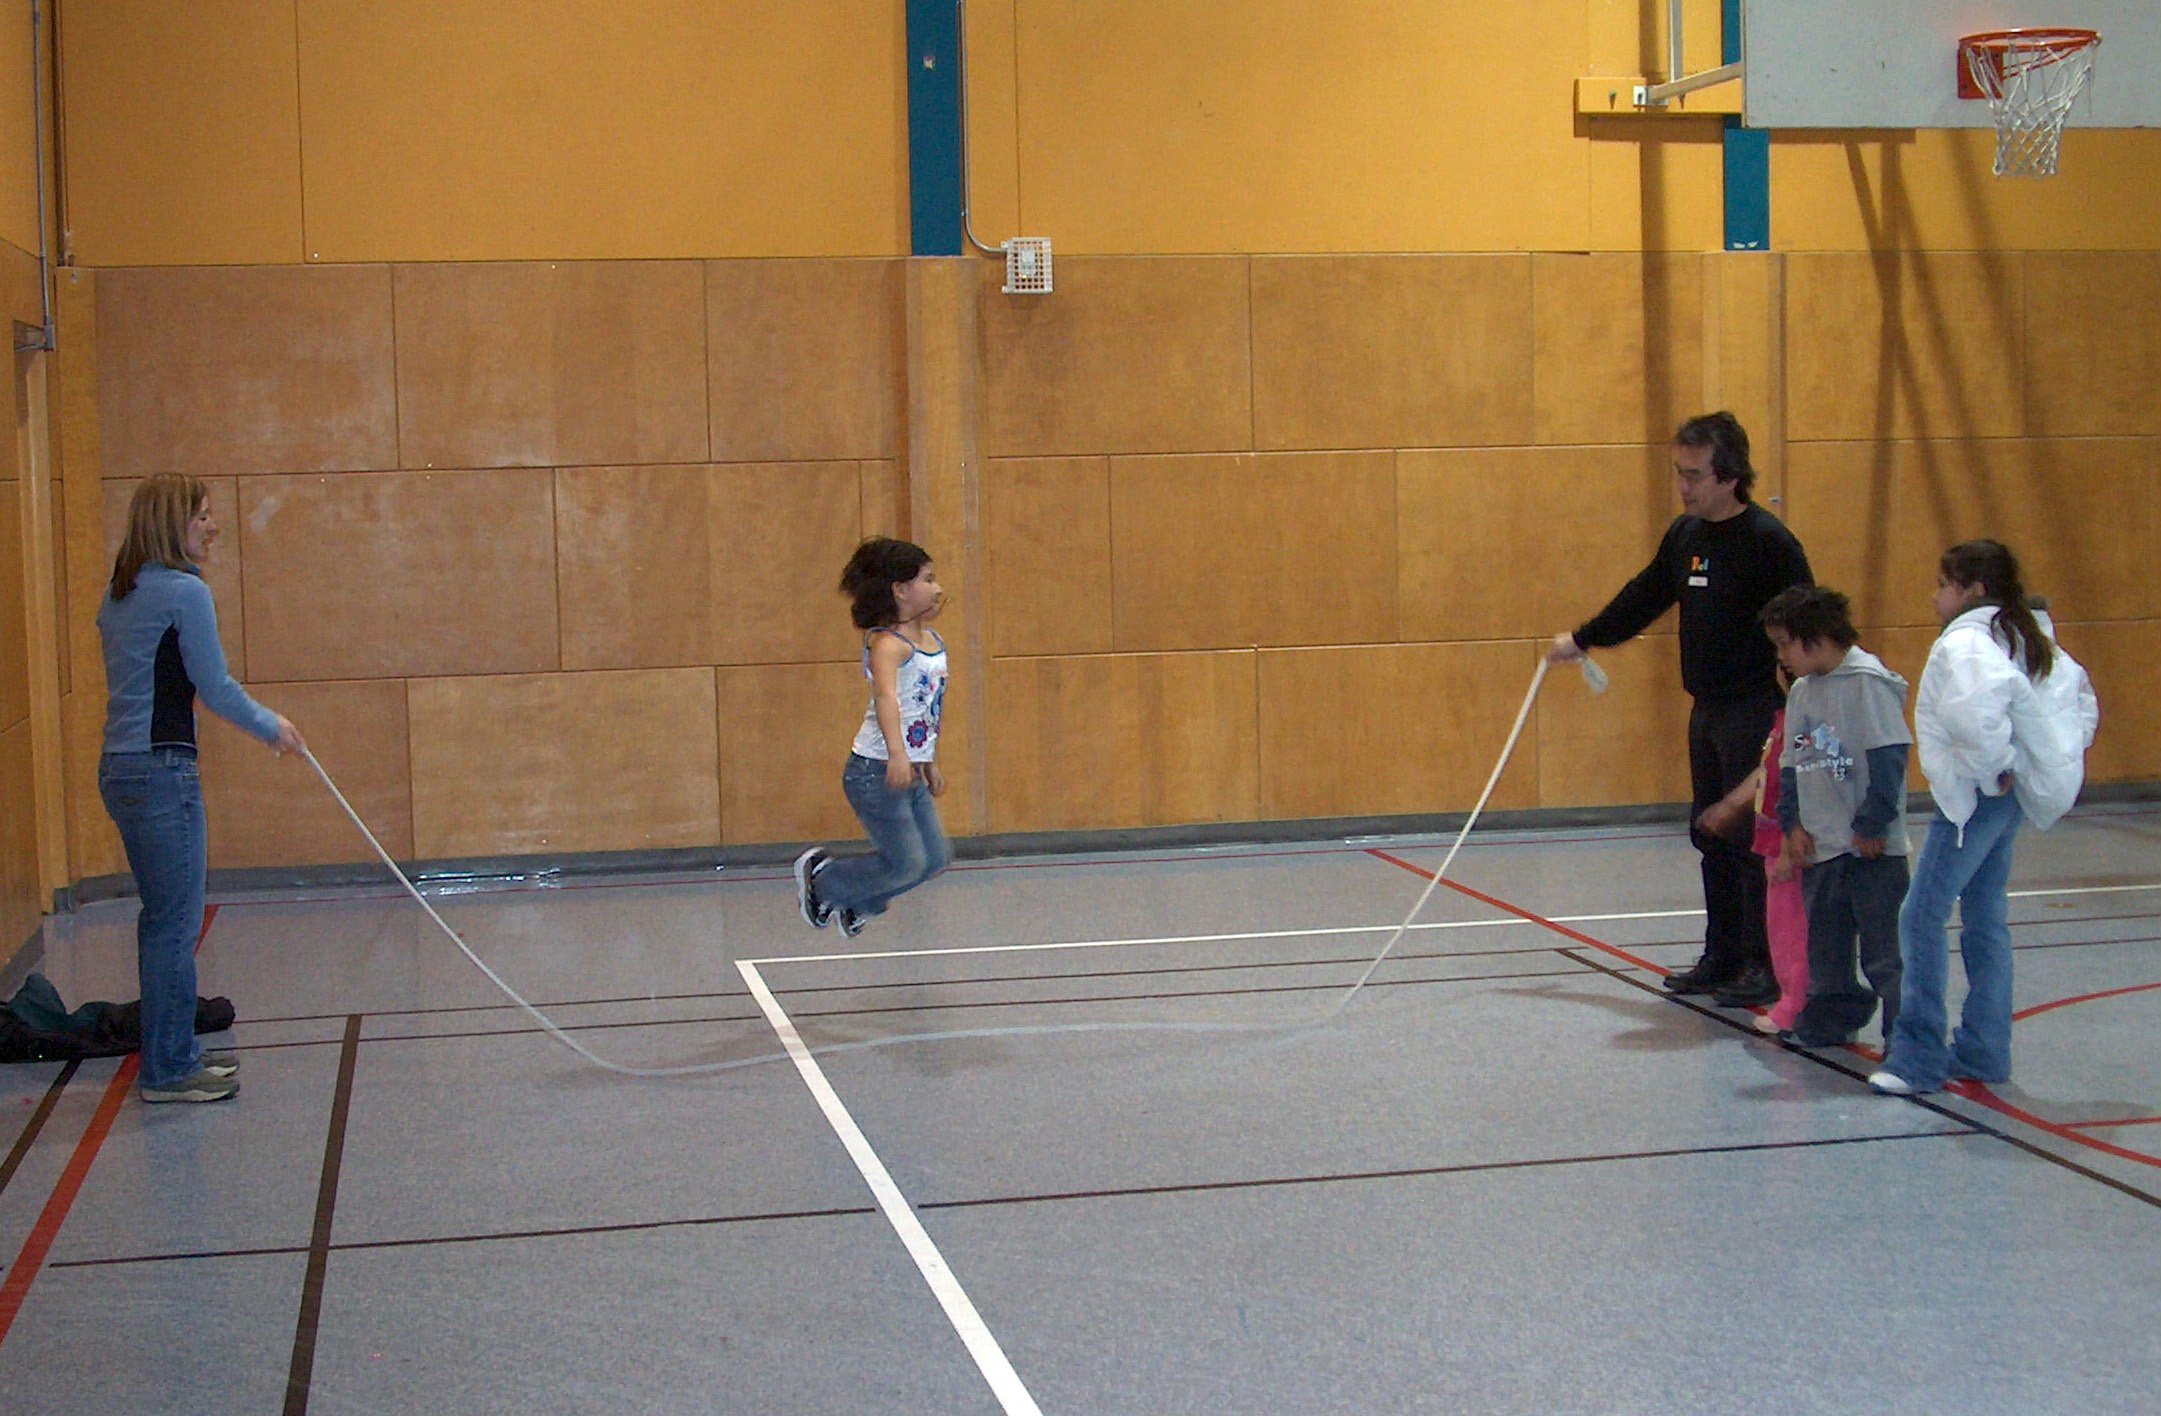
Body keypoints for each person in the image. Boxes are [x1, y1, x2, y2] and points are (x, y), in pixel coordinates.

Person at [1548, 412, 1812, 1008]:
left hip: (1753, 710)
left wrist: (1803, 713)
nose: (1684, 487)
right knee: (1709, 834)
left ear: (1729, 476)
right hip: (1708, 709)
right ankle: (1720, 955)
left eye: (1694, 476)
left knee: (1748, 839)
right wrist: (1586, 637)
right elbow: (1644, 596)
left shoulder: (1769, 542)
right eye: (1680, 473)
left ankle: (1760, 962)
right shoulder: (1685, 536)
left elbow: (1806, 626)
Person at [98, 476, 303, 1104]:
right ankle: (167, 1070)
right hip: (163, 772)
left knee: (161, 922)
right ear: (173, 522)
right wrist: (274, 727)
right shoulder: (185, 593)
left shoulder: (119, 594)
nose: (212, 527)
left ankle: (173, 1055)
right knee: (174, 925)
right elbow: (213, 688)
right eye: (203, 517)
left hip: (120, 770)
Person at [1870, 541, 2097, 1096]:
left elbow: (1975, 710)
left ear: (1971, 590)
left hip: (1976, 798)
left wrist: (1997, 768)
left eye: (1942, 584)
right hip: (2002, 795)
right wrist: (2030, 766)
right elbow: (2079, 702)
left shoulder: (1970, 642)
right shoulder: (2027, 635)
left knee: (1920, 915)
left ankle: (1918, 1058)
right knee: (1984, 915)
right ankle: (1984, 1048)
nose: (1934, 595)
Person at [1760, 586, 1910, 1049]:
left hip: (1870, 851)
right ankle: (1833, 1015)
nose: (1781, 656)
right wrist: (1792, 825)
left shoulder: (1868, 684)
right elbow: (1792, 765)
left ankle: (1903, 1033)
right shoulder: (1803, 691)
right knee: (1826, 944)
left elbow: (1890, 760)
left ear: (1818, 638)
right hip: (1821, 845)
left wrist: (1871, 825)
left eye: (1786, 643)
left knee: (1884, 952)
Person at [794, 538, 952, 937]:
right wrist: (898, 755)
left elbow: (926, 708)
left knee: (934, 859)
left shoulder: (932, 644)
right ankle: (824, 881)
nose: (936, 588)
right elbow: (887, 700)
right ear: (900, 589)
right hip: (875, 772)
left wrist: (926, 761)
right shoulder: (888, 645)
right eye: (927, 580)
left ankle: (858, 902)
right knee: (907, 863)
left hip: (909, 769)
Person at [1695, 664, 1808, 1036]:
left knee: (1792, 926)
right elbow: (1766, 769)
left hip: (1790, 839)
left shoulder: (1805, 719)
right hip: (1773, 837)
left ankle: (1796, 1001)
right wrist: (1730, 805)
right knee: (1779, 923)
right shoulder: (1783, 719)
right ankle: (1793, 996)